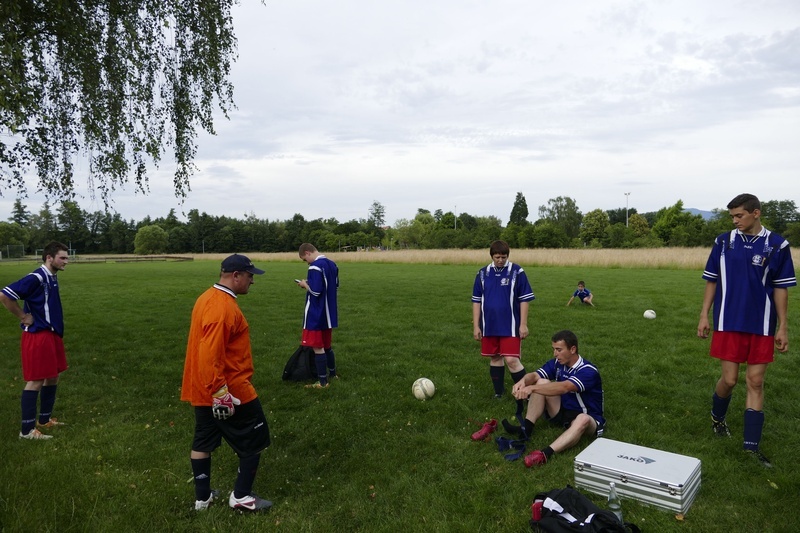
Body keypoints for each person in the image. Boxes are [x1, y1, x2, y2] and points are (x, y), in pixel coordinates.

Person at [697, 193, 796, 468]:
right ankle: (718, 419)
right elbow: (712, 280)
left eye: (739, 215)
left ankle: (751, 447)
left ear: (756, 213)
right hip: (728, 321)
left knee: (755, 381)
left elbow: (781, 288)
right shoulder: (723, 242)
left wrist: (783, 326)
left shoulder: (777, 245)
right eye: (732, 216)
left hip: (762, 324)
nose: (735, 221)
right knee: (729, 380)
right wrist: (704, 315)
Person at [181, 254, 273, 512]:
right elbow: (210, 353)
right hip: (230, 389)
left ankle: (202, 499)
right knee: (255, 438)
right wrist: (220, 392)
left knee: (203, 440)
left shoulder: (206, 297)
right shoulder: (223, 308)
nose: (252, 281)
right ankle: (241, 497)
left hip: (202, 388)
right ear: (236, 276)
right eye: (250, 275)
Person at [504, 330, 605, 468]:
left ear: (573, 349)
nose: (555, 354)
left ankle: (545, 454)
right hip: (564, 410)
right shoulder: (558, 363)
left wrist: (532, 389)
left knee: (583, 419)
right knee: (541, 382)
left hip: (588, 417)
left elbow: (565, 387)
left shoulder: (588, 370)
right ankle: (526, 430)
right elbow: (535, 375)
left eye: (559, 350)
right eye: (554, 349)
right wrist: (523, 381)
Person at [1, 242, 70, 440]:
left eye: (66, 258)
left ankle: (44, 419)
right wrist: (23, 316)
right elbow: (4, 295)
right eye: (62, 258)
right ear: (49, 257)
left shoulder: (52, 276)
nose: (66, 261)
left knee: (53, 376)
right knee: (36, 380)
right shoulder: (37, 277)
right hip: (38, 335)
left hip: (52, 333)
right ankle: (27, 431)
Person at [472, 240, 535, 415]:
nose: (500, 260)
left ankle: (527, 393)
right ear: (491, 256)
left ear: (508, 256)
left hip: (511, 325)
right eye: (497, 257)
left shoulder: (517, 271)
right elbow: (476, 301)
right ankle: (498, 393)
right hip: (489, 325)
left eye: (503, 257)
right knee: (495, 357)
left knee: (512, 360)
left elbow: (524, 299)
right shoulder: (482, 273)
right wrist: (476, 325)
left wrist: (523, 324)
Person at [296, 243, 339, 389]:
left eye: (304, 259)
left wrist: (305, 285)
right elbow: (334, 285)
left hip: (316, 312)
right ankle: (333, 374)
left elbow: (316, 292)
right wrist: (311, 283)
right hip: (329, 313)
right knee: (327, 346)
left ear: (308, 252)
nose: (306, 262)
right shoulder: (332, 264)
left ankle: (322, 382)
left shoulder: (315, 266)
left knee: (317, 347)